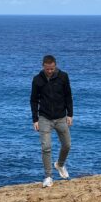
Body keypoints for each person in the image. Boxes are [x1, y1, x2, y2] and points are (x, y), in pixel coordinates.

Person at [30, 54, 73, 187]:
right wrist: (35, 119)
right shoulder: (37, 80)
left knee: (67, 145)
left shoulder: (63, 76)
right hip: (44, 118)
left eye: (52, 69)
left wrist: (70, 114)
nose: (50, 71)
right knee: (46, 148)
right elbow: (33, 100)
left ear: (55, 66)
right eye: (48, 69)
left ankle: (60, 164)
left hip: (61, 117)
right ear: (43, 66)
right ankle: (48, 177)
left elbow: (68, 96)